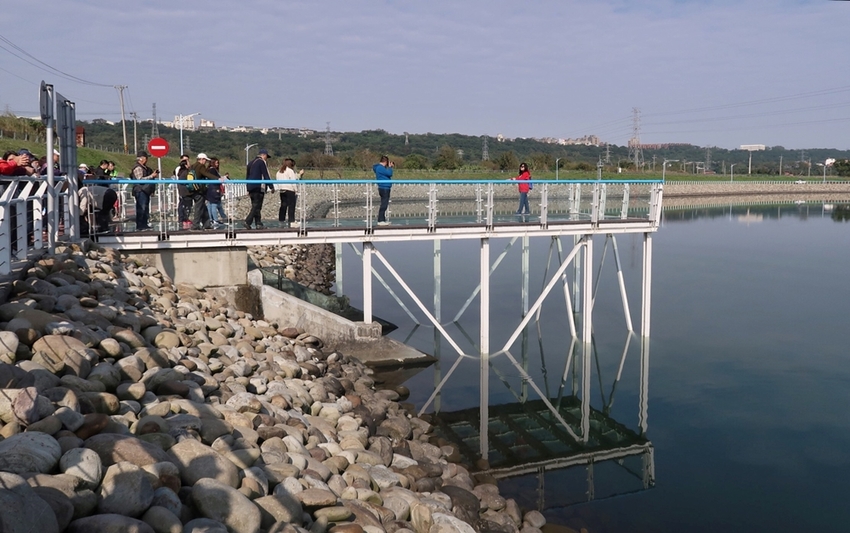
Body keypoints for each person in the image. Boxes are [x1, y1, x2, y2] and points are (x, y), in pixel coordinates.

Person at [244, 148, 273, 229]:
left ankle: (258, 223)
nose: (267, 159)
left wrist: (247, 188)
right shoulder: (261, 162)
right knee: (257, 205)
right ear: (264, 155)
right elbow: (265, 175)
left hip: (251, 186)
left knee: (255, 205)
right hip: (258, 186)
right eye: (267, 157)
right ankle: (248, 221)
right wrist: (271, 186)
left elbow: (247, 176)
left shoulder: (250, 163)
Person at [131, 150, 158, 230]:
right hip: (140, 190)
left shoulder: (144, 168)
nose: (147, 160)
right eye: (146, 158)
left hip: (145, 190)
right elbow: (140, 179)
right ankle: (140, 225)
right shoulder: (138, 168)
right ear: (142, 158)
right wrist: (151, 176)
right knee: (141, 208)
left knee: (145, 208)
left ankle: (144, 224)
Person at [189, 153, 218, 230]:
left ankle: (207, 223)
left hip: (193, 189)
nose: (205, 162)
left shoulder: (192, 166)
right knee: (199, 207)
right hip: (199, 190)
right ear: (201, 159)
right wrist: (218, 179)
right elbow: (207, 174)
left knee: (203, 207)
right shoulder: (200, 166)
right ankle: (195, 225)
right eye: (205, 160)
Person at [275, 158, 303, 227]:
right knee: (291, 206)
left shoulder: (279, 171)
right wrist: (296, 190)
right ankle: (291, 221)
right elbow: (293, 181)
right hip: (290, 190)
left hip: (282, 190)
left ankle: (281, 221)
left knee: (283, 206)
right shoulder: (290, 171)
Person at [205, 157, 227, 227]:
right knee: (214, 205)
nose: (217, 165)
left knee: (210, 204)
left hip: (209, 189)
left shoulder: (208, 170)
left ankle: (211, 219)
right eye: (216, 163)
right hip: (214, 189)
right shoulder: (213, 170)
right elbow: (218, 179)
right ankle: (215, 220)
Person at [373, 155, 394, 225]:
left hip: (383, 187)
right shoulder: (380, 168)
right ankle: (380, 220)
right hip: (384, 188)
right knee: (384, 204)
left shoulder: (378, 167)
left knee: (384, 203)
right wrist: (390, 167)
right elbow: (389, 173)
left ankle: (383, 219)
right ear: (385, 162)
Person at [174, 154, 193, 228]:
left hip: (182, 190)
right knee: (185, 205)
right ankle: (183, 219)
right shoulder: (184, 172)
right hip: (185, 191)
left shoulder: (182, 171)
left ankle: (184, 219)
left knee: (184, 204)